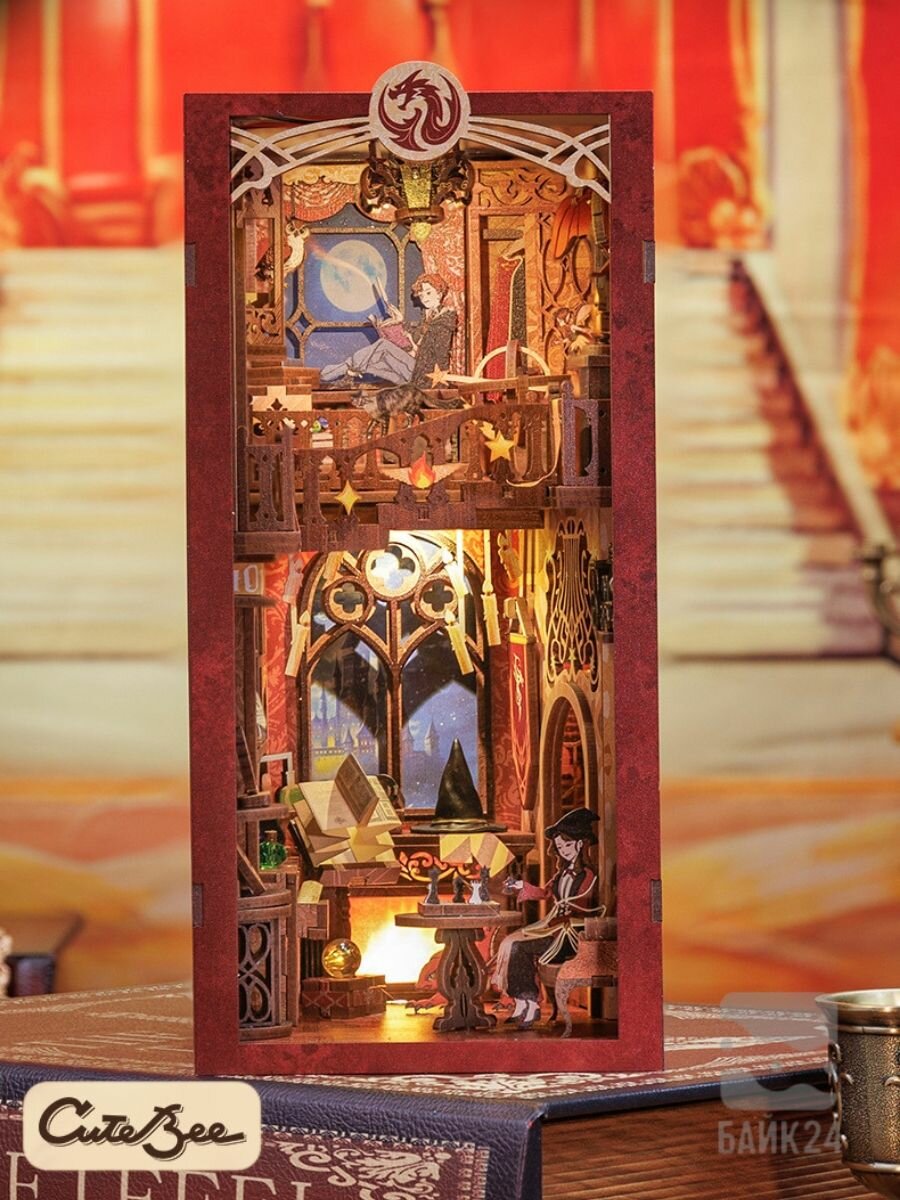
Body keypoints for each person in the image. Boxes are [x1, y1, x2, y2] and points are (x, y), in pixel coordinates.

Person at [491, 807, 601, 1028]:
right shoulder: (561, 875)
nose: (564, 851)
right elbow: (544, 893)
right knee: (510, 942)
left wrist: (567, 913)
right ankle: (522, 1003)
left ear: (580, 844)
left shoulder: (588, 876)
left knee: (519, 947)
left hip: (571, 934)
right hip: (554, 928)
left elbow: (586, 904)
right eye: (560, 847)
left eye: (567, 845)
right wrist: (521, 885)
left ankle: (531, 1003)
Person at [320, 273, 456, 386]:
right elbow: (416, 338)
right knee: (375, 363)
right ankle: (344, 373)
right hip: (416, 372)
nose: (425, 298)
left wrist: (416, 353)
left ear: (439, 293)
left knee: (383, 346)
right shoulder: (428, 316)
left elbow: (439, 354)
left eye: (428, 293)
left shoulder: (443, 319)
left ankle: (337, 371)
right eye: (421, 295)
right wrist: (400, 321)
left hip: (425, 375)